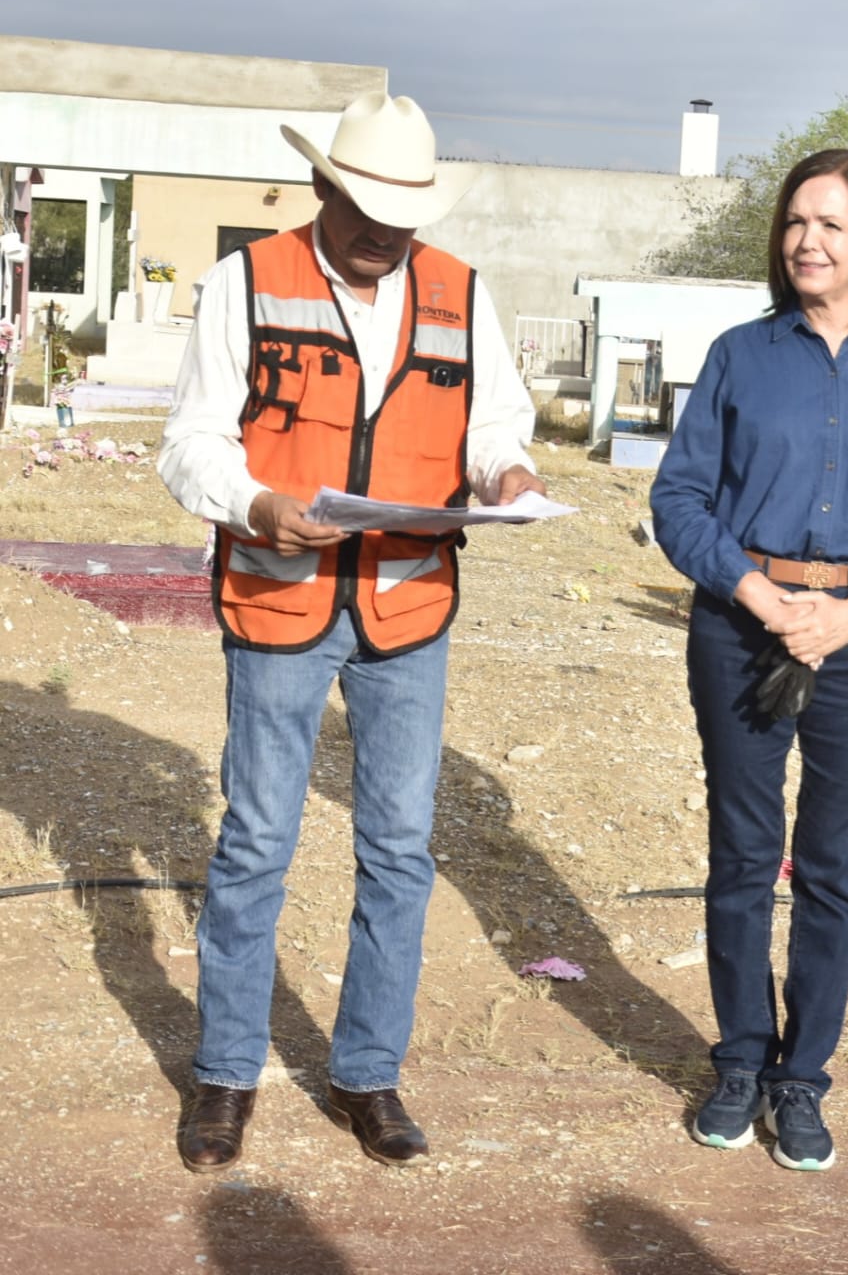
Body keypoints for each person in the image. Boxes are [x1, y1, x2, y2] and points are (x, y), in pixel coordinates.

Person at [159, 92, 543, 1173]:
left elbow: (495, 421)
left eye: (402, 215)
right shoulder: (246, 283)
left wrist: (505, 471)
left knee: (398, 852)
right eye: (365, 206)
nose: (384, 231)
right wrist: (251, 503)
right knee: (256, 844)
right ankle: (226, 1073)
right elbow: (190, 439)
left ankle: (368, 1073)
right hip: (281, 599)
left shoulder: (463, 294)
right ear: (324, 188)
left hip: (408, 607)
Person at [650, 148, 848, 1171]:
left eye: (832, 224)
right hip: (743, 624)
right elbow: (680, 498)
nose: (808, 241)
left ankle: (803, 1079)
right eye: (796, 222)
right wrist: (754, 591)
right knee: (744, 854)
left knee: (834, 865)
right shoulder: (744, 355)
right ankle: (741, 1059)